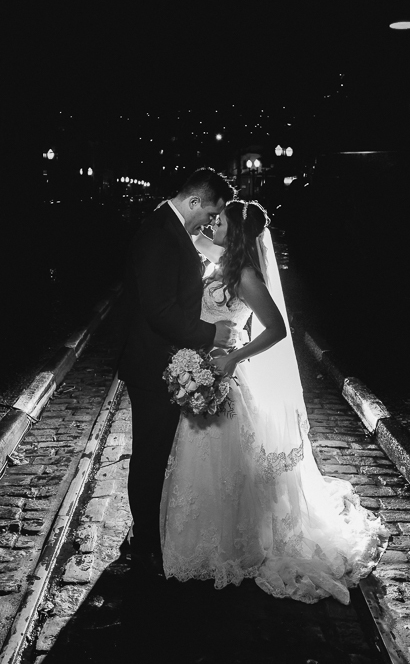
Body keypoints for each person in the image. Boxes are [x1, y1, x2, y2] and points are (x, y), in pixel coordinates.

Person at [159, 199, 389, 604]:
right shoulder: (220, 259)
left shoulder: (245, 274)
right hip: (202, 366)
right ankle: (194, 542)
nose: (213, 222)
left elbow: (278, 329)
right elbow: (189, 235)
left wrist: (233, 356)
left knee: (227, 463)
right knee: (198, 458)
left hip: (225, 374)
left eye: (221, 219)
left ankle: (232, 546)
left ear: (238, 231)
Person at [117, 168, 238, 576]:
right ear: (193, 202)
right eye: (209, 213)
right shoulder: (158, 234)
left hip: (164, 360)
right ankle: (146, 541)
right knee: (150, 456)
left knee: (158, 453)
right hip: (152, 363)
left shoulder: (171, 229)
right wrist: (212, 332)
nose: (208, 223)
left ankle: (152, 532)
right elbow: (159, 310)